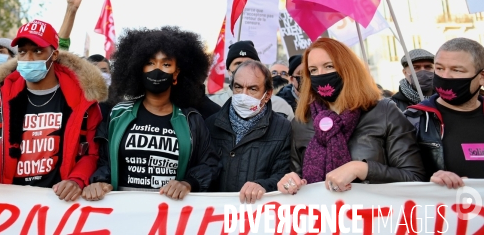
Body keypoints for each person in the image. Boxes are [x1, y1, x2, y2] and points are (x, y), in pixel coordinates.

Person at [0, 20, 107, 201]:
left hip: (61, 204)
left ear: (55, 54)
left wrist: (77, 180)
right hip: (11, 205)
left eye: (37, 51)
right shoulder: (2, 99)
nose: (28, 58)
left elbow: (92, 154)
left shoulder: (83, 102)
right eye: (22, 52)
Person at [83, 27, 220, 201]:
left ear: (177, 73)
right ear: (139, 68)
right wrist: (100, 181)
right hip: (121, 214)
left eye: (166, 64)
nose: (157, 69)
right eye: (150, 63)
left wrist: (188, 183)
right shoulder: (117, 115)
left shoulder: (192, 120)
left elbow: (210, 163)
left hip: (169, 218)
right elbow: (102, 159)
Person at [278, 38, 425, 195]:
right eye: (313, 70)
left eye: (329, 66)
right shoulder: (301, 122)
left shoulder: (385, 113)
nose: (320, 75)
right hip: (323, 217)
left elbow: (415, 179)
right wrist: (289, 183)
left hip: (374, 216)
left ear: (348, 69)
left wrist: (363, 169)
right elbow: (298, 177)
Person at [206, 60, 291, 203]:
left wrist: (262, 185)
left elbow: (283, 175)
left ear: (267, 94)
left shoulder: (282, 128)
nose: (243, 95)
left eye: (252, 89)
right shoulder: (210, 124)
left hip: (257, 214)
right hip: (215, 216)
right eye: (238, 87)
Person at [404, 38, 484, 188]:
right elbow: (400, 179)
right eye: (439, 68)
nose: (445, 77)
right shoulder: (413, 120)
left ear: (482, 77)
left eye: (456, 70)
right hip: (444, 210)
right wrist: (432, 180)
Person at [209, 41, 294, 119]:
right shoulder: (213, 104)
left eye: (248, 63)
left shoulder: (279, 106)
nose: (243, 68)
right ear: (229, 71)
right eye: (238, 63)